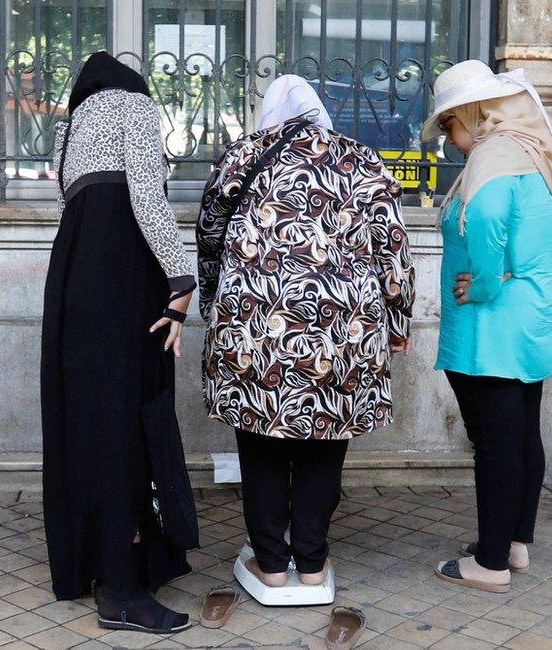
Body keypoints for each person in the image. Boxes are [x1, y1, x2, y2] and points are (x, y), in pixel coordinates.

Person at [197, 75, 415, 589]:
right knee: (325, 442)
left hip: (253, 326)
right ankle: (313, 563)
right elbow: (394, 250)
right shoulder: (361, 159)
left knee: (260, 443)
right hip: (343, 329)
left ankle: (271, 565)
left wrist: (212, 301)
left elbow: (209, 234)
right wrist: (398, 318)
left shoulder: (241, 157)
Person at [40, 52, 197, 633]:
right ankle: (123, 593)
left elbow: (78, 204)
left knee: (91, 422)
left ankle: (107, 563)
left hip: (75, 282)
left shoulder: (71, 127)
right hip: (122, 280)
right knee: (130, 422)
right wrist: (182, 281)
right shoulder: (133, 105)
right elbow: (147, 200)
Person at [421, 60, 552, 593]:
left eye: (450, 124)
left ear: (474, 112)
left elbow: (486, 217)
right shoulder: (535, 153)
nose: (450, 137)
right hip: (537, 315)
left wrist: (488, 284)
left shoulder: (493, 156)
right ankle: (513, 543)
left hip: (493, 327)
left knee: (495, 443)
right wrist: (527, 272)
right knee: (520, 435)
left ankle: (487, 564)